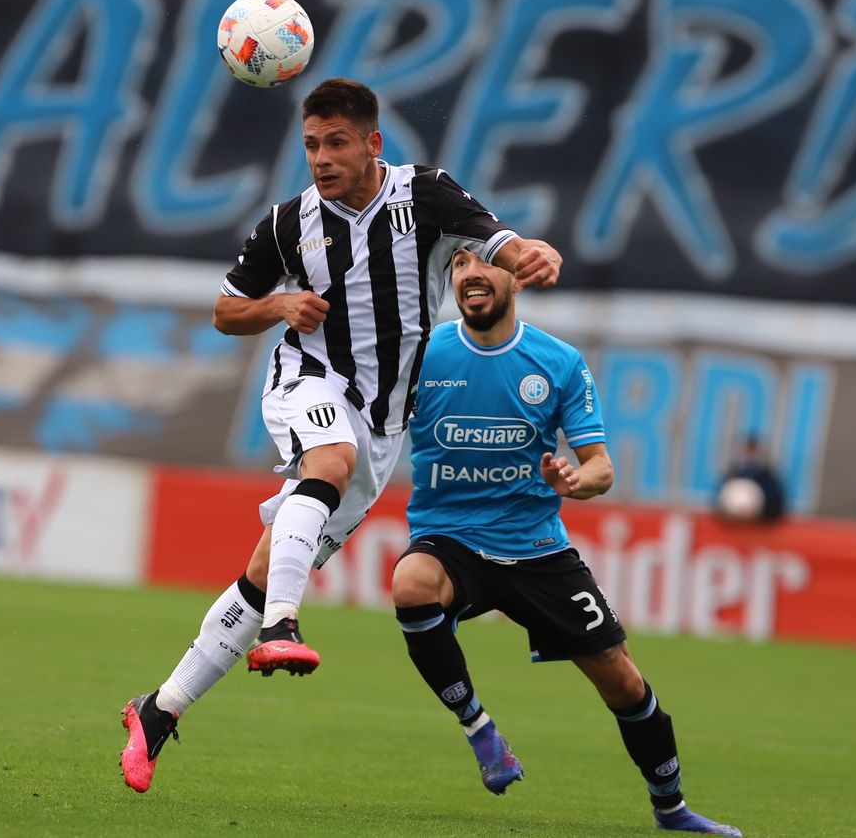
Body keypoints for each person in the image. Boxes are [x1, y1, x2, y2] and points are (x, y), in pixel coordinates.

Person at [118, 77, 564, 793]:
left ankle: (158, 711)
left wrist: (531, 253)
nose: (320, 159)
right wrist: (279, 303)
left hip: (385, 425)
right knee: (329, 457)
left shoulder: (423, 194)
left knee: (264, 573)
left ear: (371, 144)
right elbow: (226, 313)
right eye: (310, 145)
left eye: (334, 144)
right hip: (308, 379)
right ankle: (283, 631)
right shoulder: (286, 224)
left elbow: (499, 240)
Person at [391, 249, 743, 835]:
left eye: (484, 263)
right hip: (450, 539)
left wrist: (577, 481)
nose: (470, 274)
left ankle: (671, 807)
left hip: (536, 549)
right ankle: (480, 730)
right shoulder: (424, 354)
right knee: (410, 583)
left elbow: (601, 466)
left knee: (623, 680)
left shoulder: (557, 361)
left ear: (514, 277)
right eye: (458, 265)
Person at [713, 435, 786, 523]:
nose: (750, 456)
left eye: (753, 451)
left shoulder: (768, 478)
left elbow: (776, 502)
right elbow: (719, 496)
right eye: (748, 451)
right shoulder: (733, 475)